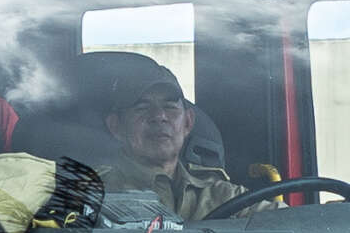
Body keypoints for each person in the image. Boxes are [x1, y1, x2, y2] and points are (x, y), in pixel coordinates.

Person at [98, 57, 245, 220]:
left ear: (188, 122)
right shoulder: (92, 197)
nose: (159, 116)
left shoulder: (224, 196)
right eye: (142, 107)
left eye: (170, 107)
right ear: (115, 126)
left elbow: (276, 222)